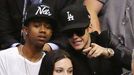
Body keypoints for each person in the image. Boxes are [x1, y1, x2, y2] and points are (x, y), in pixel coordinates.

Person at [58, 4, 127, 75]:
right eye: (69, 33)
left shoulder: (105, 39)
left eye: (79, 31)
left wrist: (108, 52)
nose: (74, 37)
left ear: (89, 27)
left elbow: (130, 60)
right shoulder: (66, 52)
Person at [0, 4, 57, 75]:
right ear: (25, 30)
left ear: (51, 33)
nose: (43, 30)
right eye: (36, 25)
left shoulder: (52, 64)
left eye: (48, 27)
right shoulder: (3, 57)